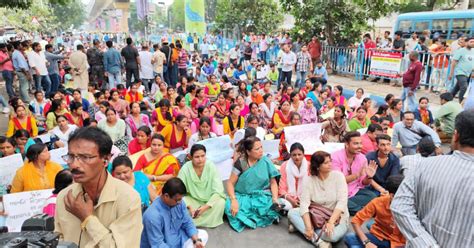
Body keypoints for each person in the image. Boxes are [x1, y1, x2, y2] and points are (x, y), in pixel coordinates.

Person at [391, 110, 474, 247]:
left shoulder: (424, 165)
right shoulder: (423, 163)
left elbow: (399, 206)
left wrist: (427, 244)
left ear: (456, 136)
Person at [55, 127, 142, 247]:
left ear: (106, 160)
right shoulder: (65, 197)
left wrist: (88, 219)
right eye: (71, 157)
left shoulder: (128, 199)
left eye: (85, 157)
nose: (74, 165)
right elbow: (58, 241)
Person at [288, 151, 349, 246]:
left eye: (330, 161)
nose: (330, 164)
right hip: (316, 216)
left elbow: (342, 202)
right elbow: (304, 205)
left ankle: (299, 227)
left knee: (333, 236)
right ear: (317, 166)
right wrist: (308, 227)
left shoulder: (339, 176)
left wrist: (331, 222)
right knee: (292, 213)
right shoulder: (308, 180)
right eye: (326, 163)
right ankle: (319, 242)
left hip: (338, 217)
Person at [225, 136, 280, 232]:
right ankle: (255, 218)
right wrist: (233, 200)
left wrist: (275, 199)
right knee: (228, 206)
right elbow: (230, 183)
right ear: (248, 152)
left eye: (261, 147)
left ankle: (252, 217)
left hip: (261, 196)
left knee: (273, 204)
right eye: (257, 149)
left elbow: (273, 182)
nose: (261, 151)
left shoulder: (266, 161)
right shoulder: (241, 163)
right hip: (243, 196)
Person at [141, 178, 208, 248]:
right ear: (166, 196)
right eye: (177, 200)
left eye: (181, 199)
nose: (180, 202)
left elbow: (187, 222)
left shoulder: (179, 203)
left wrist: (196, 241)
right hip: (164, 246)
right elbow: (158, 244)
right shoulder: (152, 216)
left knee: (203, 234)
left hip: (180, 239)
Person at [344, 175, 406, 248]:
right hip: (379, 237)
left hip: (399, 243)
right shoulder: (378, 202)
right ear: (392, 196)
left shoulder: (412, 206)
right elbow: (355, 221)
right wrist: (367, 242)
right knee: (349, 238)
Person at [178, 144, 226, 228]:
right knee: (180, 203)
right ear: (190, 157)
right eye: (197, 157)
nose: (200, 159)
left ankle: (192, 221)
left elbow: (218, 190)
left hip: (209, 201)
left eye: (203, 156)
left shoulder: (210, 166)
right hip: (193, 200)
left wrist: (205, 207)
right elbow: (178, 190)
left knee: (221, 202)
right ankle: (195, 217)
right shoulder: (186, 168)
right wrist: (189, 206)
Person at [331, 131, 378, 215]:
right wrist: (357, 175)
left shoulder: (362, 158)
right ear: (347, 144)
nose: (359, 146)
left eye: (360, 143)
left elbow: (363, 182)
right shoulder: (335, 157)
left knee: (373, 196)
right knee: (339, 202)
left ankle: (355, 208)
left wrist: (369, 177)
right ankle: (365, 211)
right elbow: (338, 181)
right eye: (356, 143)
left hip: (354, 191)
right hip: (337, 192)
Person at [278, 143, 309, 211]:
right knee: (284, 205)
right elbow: (281, 188)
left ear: (303, 154)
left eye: (299, 154)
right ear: (290, 155)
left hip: (305, 198)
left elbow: (311, 187)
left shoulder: (309, 166)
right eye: (294, 155)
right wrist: (292, 200)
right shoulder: (285, 165)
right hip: (289, 198)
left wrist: (303, 200)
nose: (297, 157)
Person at [448, 37, 473, 103]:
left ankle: (447, 100)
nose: (473, 43)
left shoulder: (473, 51)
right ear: (466, 42)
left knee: (456, 88)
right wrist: (451, 73)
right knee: (464, 87)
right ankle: (461, 103)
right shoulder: (461, 50)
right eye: (471, 41)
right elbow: (454, 62)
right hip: (460, 72)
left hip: (468, 73)